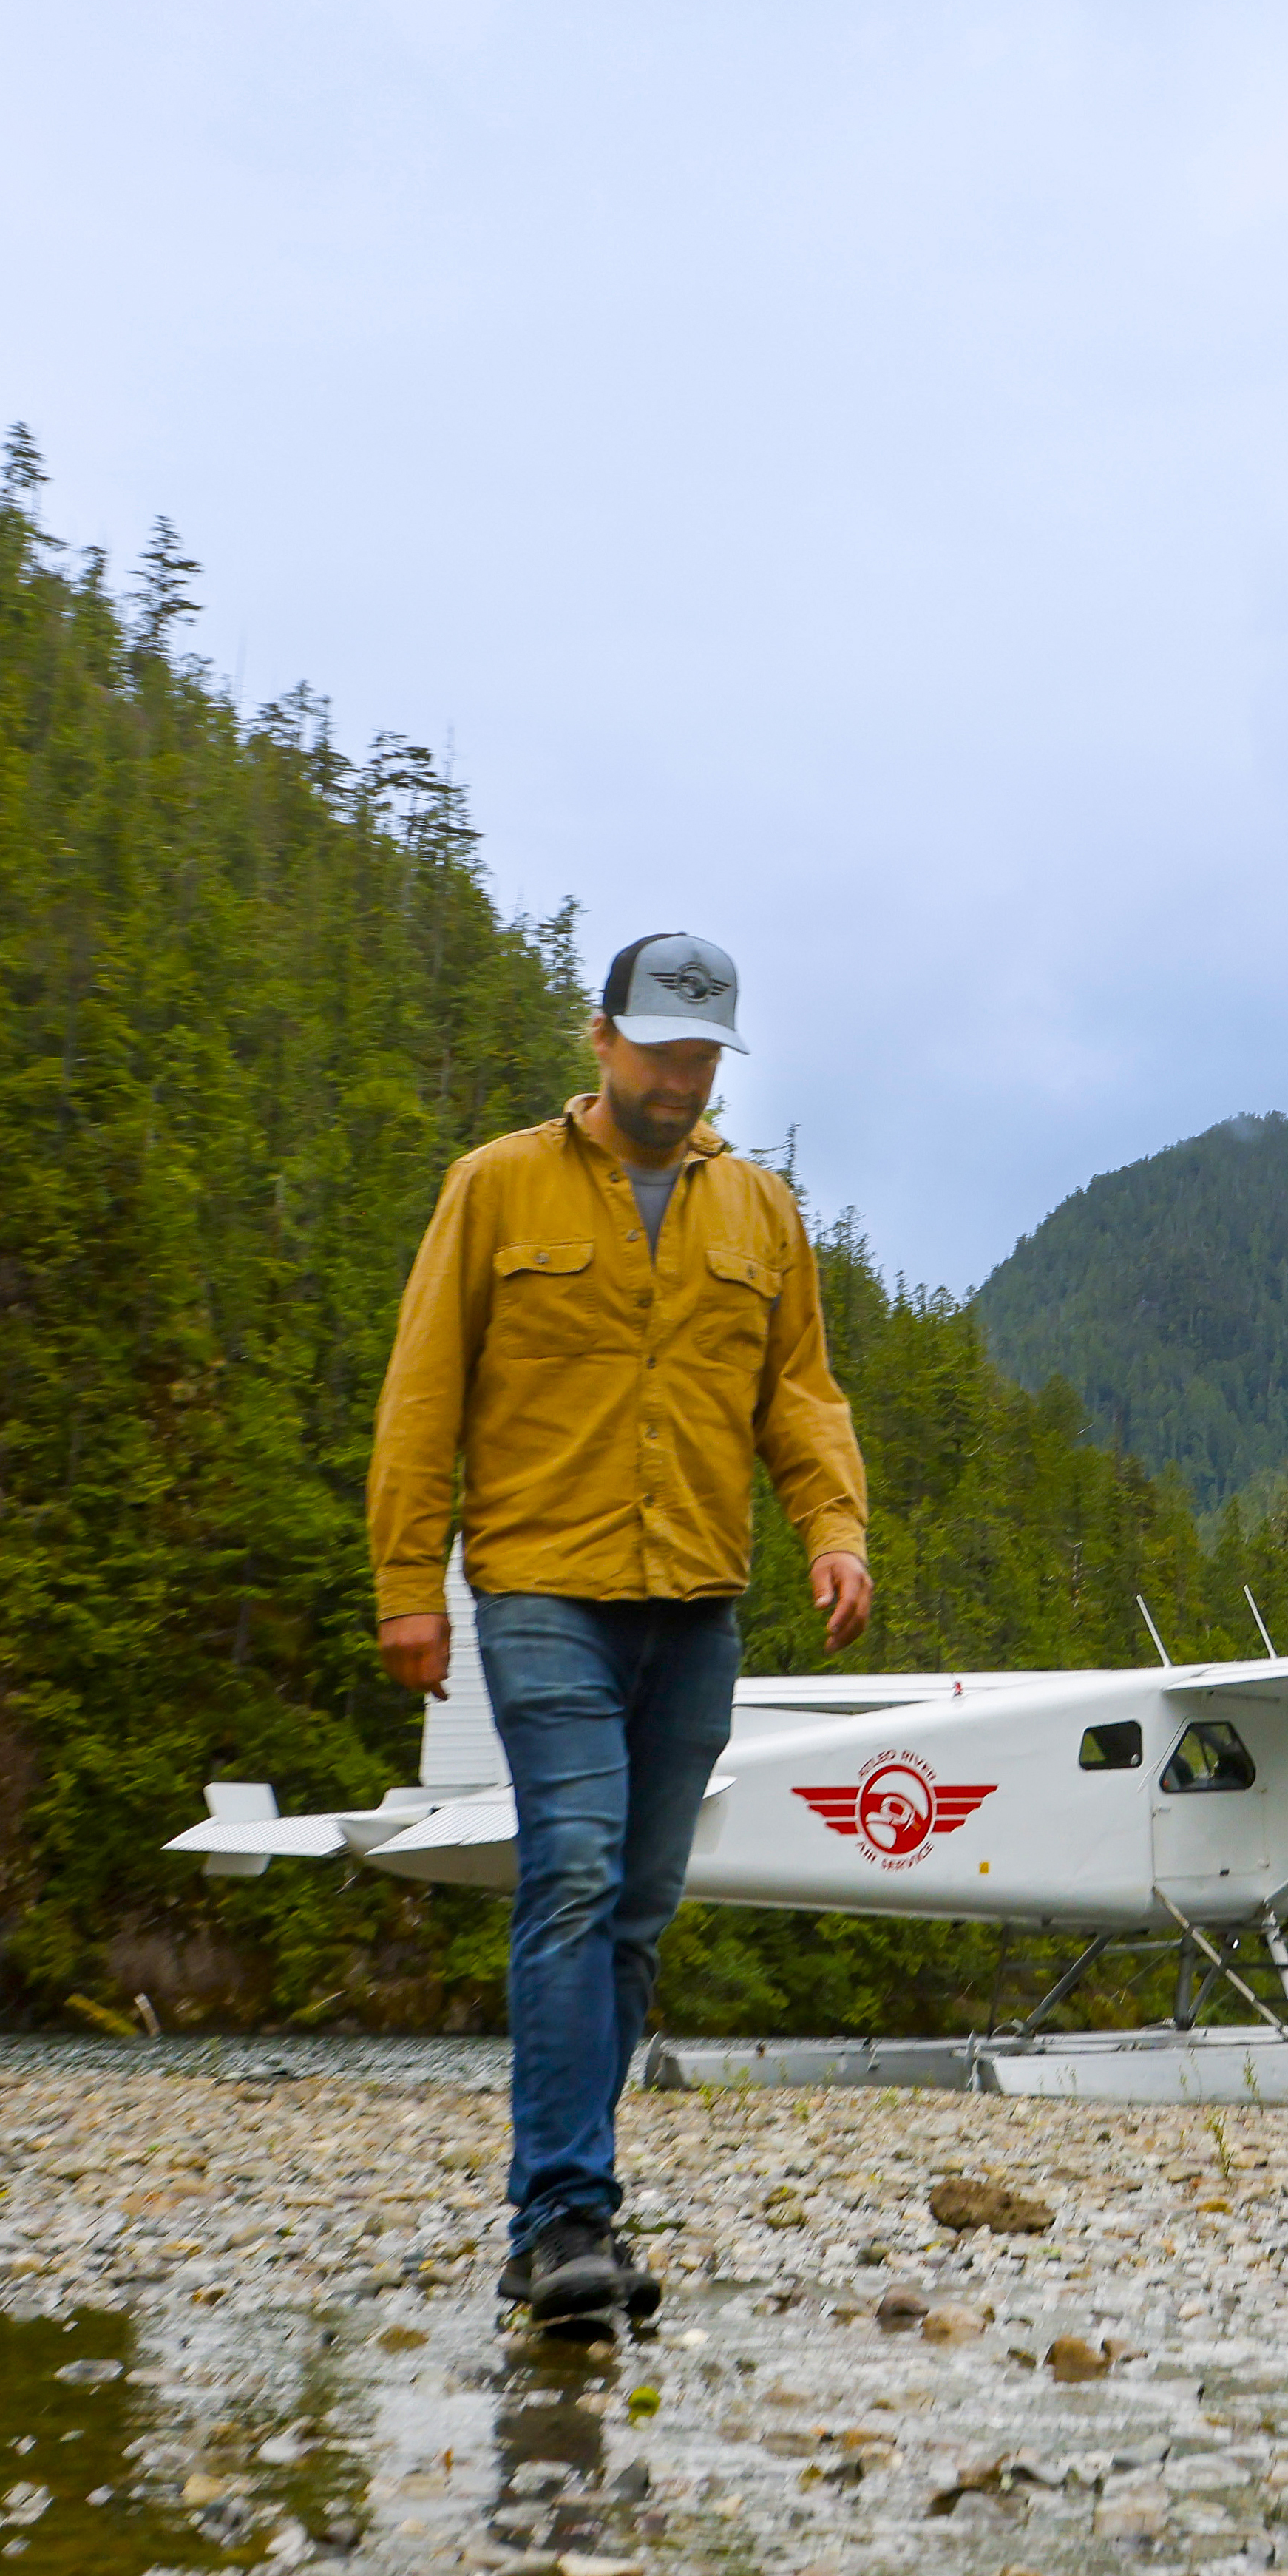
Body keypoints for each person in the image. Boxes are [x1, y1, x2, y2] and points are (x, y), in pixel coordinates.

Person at [367, 930, 875, 2326]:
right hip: (542, 1588)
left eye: (701, 1056)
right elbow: (422, 1390)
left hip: (698, 1602)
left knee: (639, 1913)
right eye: (656, 1050)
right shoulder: (495, 1186)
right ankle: (562, 2217)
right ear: (599, 1039)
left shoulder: (760, 1212)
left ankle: (570, 2208)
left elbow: (799, 1395)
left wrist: (835, 1532)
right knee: (575, 1877)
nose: (677, 1078)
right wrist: (407, 1582)